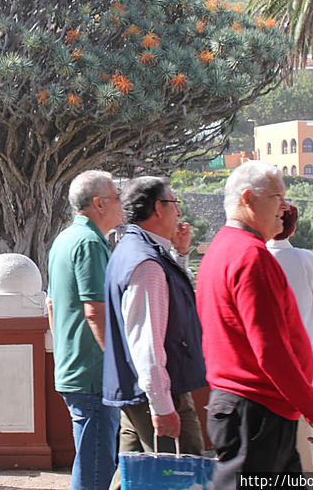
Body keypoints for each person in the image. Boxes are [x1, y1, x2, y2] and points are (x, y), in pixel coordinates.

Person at [196, 161, 313, 489]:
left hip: (249, 409)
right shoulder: (251, 257)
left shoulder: (221, 249)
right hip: (257, 413)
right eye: (277, 197)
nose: (285, 207)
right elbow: (270, 349)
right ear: (248, 199)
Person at [103, 177, 206, 490]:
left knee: (132, 476)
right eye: (174, 204)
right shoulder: (146, 263)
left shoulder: (134, 250)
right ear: (158, 208)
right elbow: (146, 341)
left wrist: (182, 254)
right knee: (181, 473)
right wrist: (162, 406)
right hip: (158, 392)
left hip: (135, 389)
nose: (178, 213)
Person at [47, 170, 123, 490]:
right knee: (96, 465)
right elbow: (95, 312)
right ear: (99, 203)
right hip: (94, 373)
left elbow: (51, 305)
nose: (122, 204)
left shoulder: (64, 239)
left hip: (74, 368)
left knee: (91, 457)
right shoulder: (90, 243)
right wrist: (119, 363)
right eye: (117, 197)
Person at [267, 203, 313, 473]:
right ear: (293, 228)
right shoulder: (307, 259)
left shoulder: (257, 257)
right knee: (303, 414)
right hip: (302, 353)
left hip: (265, 358)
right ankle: (303, 471)